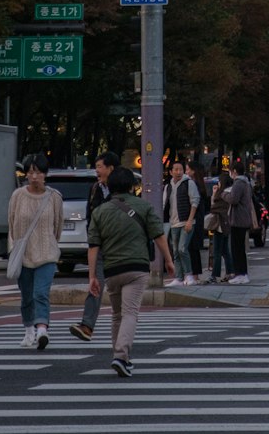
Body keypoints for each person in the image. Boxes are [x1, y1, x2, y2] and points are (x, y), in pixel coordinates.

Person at [86, 165, 174, 376]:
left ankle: (120, 356)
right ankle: (120, 356)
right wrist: (169, 261)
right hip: (136, 267)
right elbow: (158, 235)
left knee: (117, 315)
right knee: (130, 313)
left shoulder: (99, 211)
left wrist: (92, 276)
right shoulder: (143, 207)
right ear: (132, 186)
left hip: (111, 270)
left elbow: (93, 246)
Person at [8, 152, 63, 350]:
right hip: (23, 254)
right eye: (30, 172)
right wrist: (15, 248)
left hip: (47, 253)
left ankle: (42, 329)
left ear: (45, 174)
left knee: (41, 292)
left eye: (38, 172)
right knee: (26, 295)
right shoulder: (18, 196)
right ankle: (29, 329)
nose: (33, 176)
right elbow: (12, 225)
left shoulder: (54, 197)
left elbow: (58, 226)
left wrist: (50, 244)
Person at [69, 150, 118, 340]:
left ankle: (124, 323)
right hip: (99, 244)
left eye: (99, 166)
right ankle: (87, 325)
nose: (96, 170)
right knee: (95, 284)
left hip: (117, 246)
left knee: (119, 289)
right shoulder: (94, 189)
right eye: (96, 167)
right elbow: (90, 215)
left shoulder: (121, 188)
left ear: (110, 168)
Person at [161, 159, 200, 287]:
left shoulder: (189, 183)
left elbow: (195, 202)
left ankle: (189, 275)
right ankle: (178, 277)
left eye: (181, 169)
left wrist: (190, 220)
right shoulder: (168, 186)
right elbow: (164, 204)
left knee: (182, 248)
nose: (178, 172)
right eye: (176, 170)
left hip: (186, 222)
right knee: (175, 251)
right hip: (173, 223)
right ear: (171, 172)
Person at [226, 159, 254, 284]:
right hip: (243, 218)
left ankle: (240, 274)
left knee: (236, 248)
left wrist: (223, 194)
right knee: (240, 248)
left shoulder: (238, 183)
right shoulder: (246, 183)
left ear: (235, 171)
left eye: (230, 171)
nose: (230, 174)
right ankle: (242, 274)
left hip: (238, 219)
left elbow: (233, 199)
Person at [209, 171, 234, 281]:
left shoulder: (222, 194)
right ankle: (229, 272)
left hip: (220, 225)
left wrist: (214, 194)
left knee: (217, 251)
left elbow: (213, 208)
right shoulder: (230, 192)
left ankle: (215, 275)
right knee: (225, 251)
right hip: (226, 224)